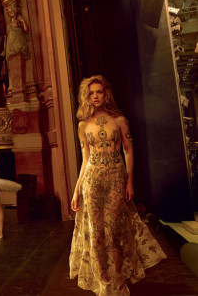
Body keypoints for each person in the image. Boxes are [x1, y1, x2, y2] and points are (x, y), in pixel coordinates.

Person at [69, 75, 166, 295]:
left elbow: (129, 150)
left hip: (115, 178)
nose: (95, 96)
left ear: (106, 94)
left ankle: (119, 279)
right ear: (86, 96)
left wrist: (129, 181)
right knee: (97, 233)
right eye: (91, 93)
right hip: (92, 181)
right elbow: (85, 159)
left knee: (113, 231)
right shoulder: (83, 124)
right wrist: (77, 190)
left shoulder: (119, 120)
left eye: (99, 92)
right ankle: (104, 281)